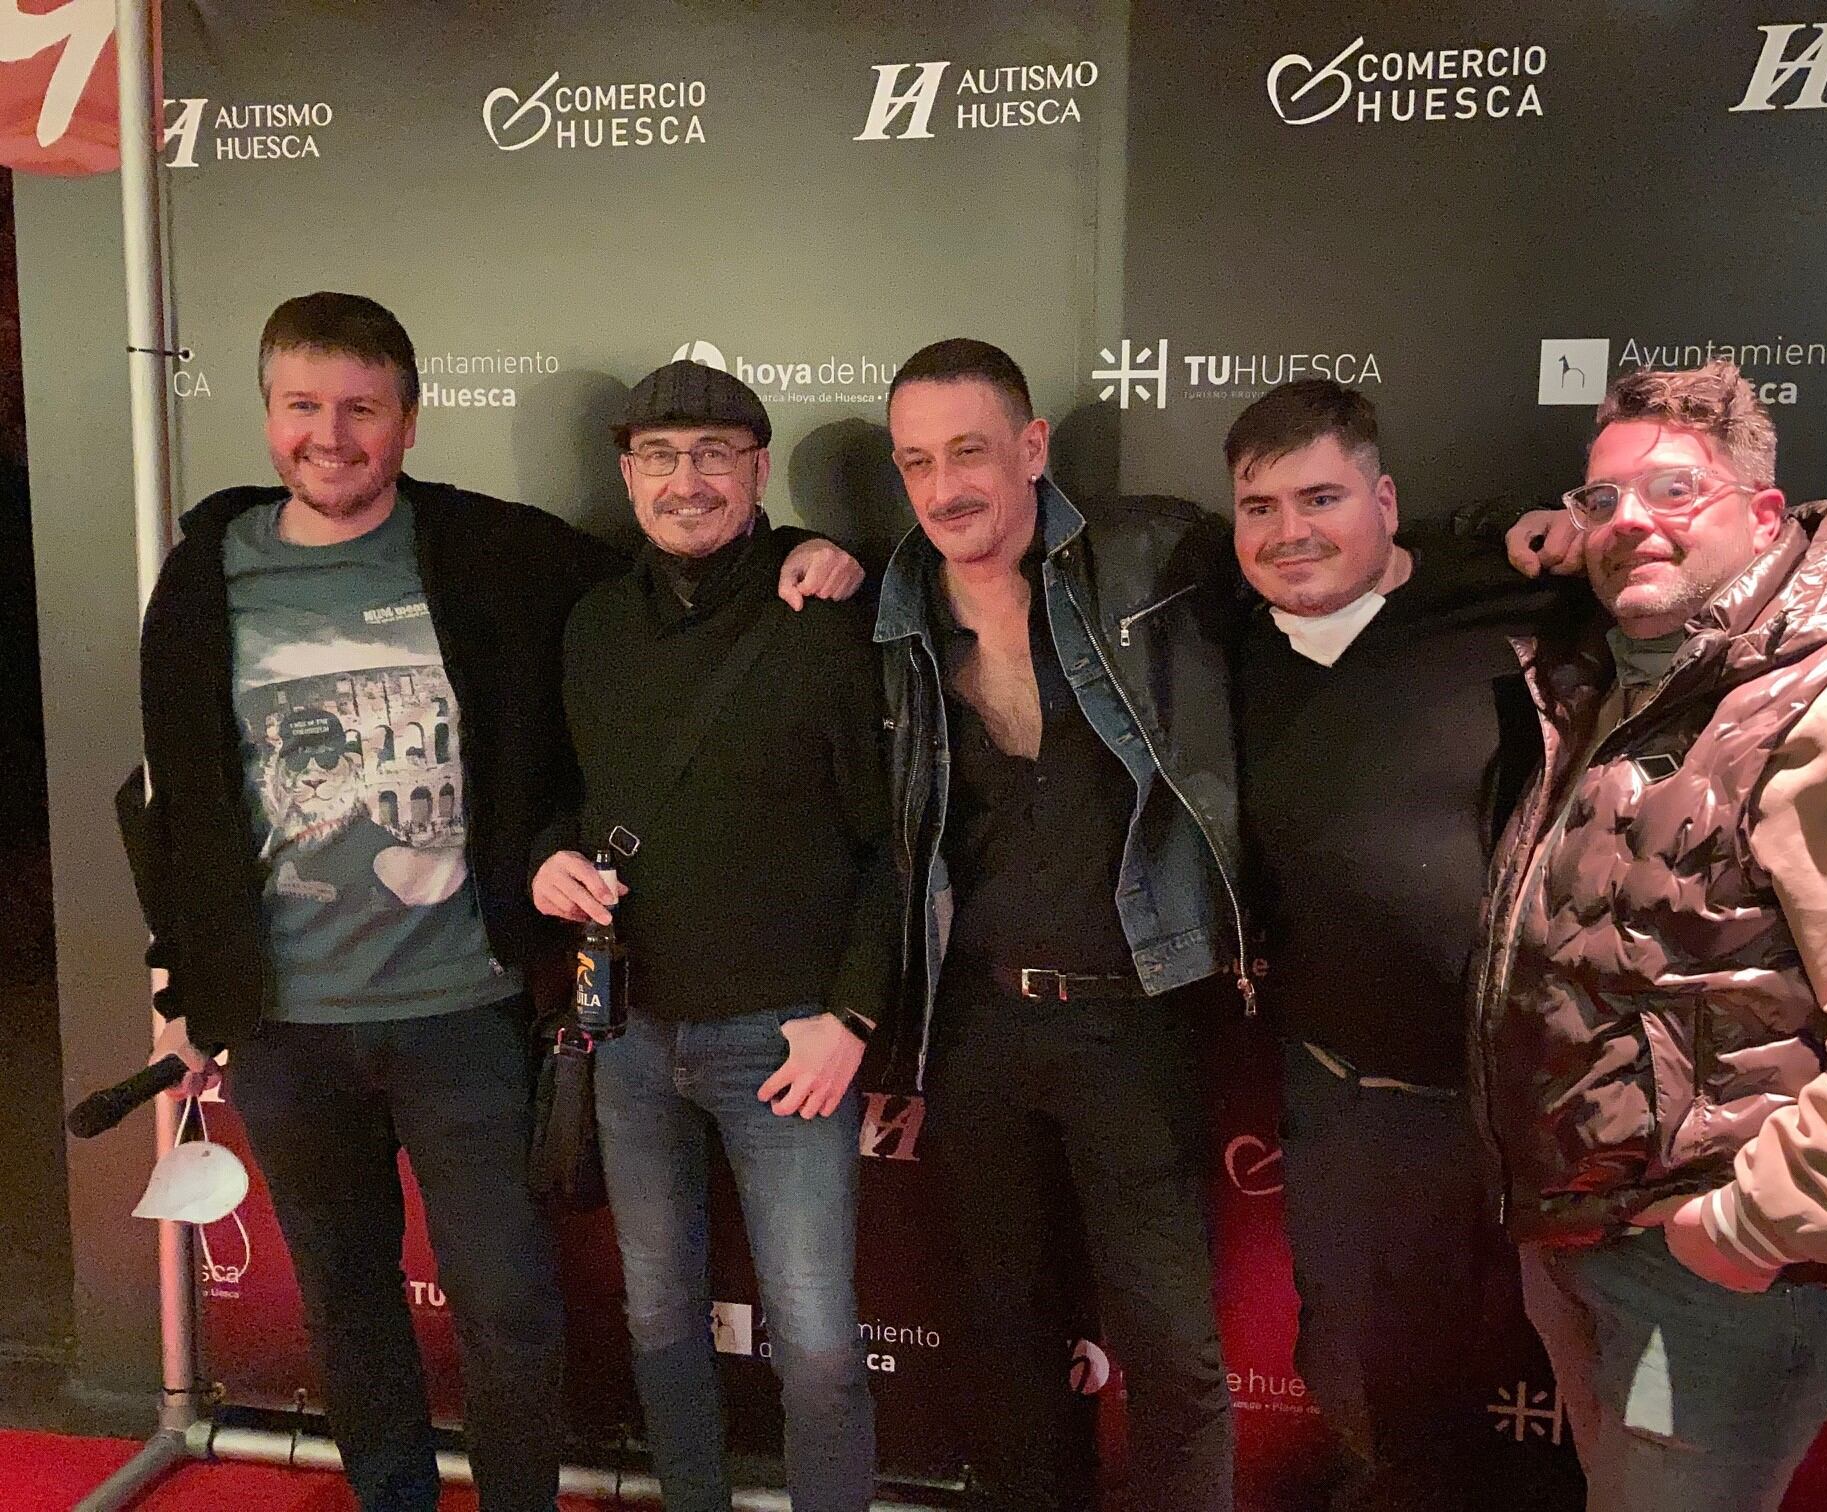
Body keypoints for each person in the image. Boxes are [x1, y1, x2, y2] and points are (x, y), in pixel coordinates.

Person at [129, 293, 858, 1512]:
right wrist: (180, 977)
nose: (331, 435)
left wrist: (803, 547)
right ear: (265, 415)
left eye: (362, 409)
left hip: (462, 1012)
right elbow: (178, 802)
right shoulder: (207, 575)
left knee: (511, 1308)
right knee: (348, 1306)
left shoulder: (489, 551)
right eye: (304, 406)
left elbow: (679, 567)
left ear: (410, 421)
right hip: (282, 1026)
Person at [1474, 360, 1827, 1510]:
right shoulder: (1637, 682)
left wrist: (1752, 1224)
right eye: (1605, 499)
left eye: (1676, 490)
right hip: (1593, 1236)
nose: (1633, 520)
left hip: (1722, 1280)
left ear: (1766, 514)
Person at [874, 338, 1246, 1511]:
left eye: (970, 451)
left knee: (1173, 1352)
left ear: (1033, 449)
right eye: (916, 462)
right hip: (978, 1028)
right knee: (1004, 1340)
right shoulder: (889, 612)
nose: (945, 488)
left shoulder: (1155, 557)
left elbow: (1330, 564)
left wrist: (1508, 537)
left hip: (1134, 1018)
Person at [530, 360, 889, 1512]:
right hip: (628, 1030)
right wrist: (548, 855)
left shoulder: (824, 620)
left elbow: (892, 841)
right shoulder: (592, 626)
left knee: (818, 1339)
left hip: (786, 1041)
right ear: (628, 473)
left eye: (714, 456)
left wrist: (852, 1015)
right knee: (658, 1315)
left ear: (758, 468)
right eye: (660, 458)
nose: (686, 481)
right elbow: (567, 792)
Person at [1227, 379, 1560, 1511]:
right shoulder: (1229, 638)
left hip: (1525, 1092)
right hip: (1346, 1098)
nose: (1289, 532)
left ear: (1385, 502)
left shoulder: (1504, 599)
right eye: (1259, 507)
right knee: (1361, 1382)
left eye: (1321, 498)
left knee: (1572, 1380)